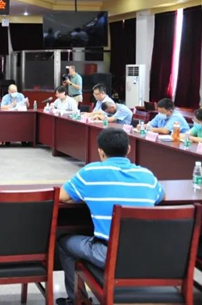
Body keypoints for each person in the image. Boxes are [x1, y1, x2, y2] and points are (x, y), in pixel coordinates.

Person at [56, 128, 165, 305]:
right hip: (147, 253)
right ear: (128, 149)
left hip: (108, 254)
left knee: (64, 242)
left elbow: (61, 196)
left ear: (100, 152)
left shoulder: (90, 173)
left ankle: (76, 300)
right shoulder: (147, 175)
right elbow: (161, 197)